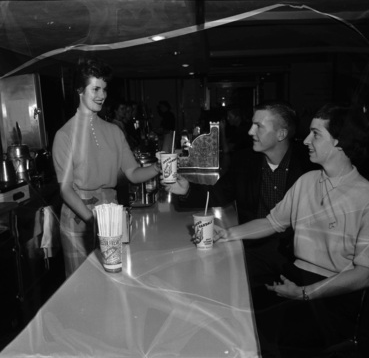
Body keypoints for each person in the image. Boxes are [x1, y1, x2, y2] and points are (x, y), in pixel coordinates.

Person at [214, 103, 369, 357]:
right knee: (234, 314)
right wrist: (228, 234)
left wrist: (304, 293)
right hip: (296, 279)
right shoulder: (307, 181)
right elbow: (272, 222)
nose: (306, 140)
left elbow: (364, 275)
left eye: (316, 134)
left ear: (340, 142)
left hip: (334, 297)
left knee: (261, 337)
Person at [165, 100, 315, 289]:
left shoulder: (309, 165)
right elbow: (218, 194)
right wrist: (187, 190)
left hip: (298, 256)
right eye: (252, 124)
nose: (250, 131)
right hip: (253, 249)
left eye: (258, 126)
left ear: (281, 134)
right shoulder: (245, 161)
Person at [52, 58, 160, 277]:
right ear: (80, 90)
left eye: (104, 89)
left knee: (112, 278)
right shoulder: (64, 135)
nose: (102, 95)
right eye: (96, 89)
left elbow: (133, 173)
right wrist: (94, 222)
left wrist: (159, 167)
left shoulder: (114, 132)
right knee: (80, 282)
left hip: (110, 212)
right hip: (78, 217)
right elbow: (65, 189)